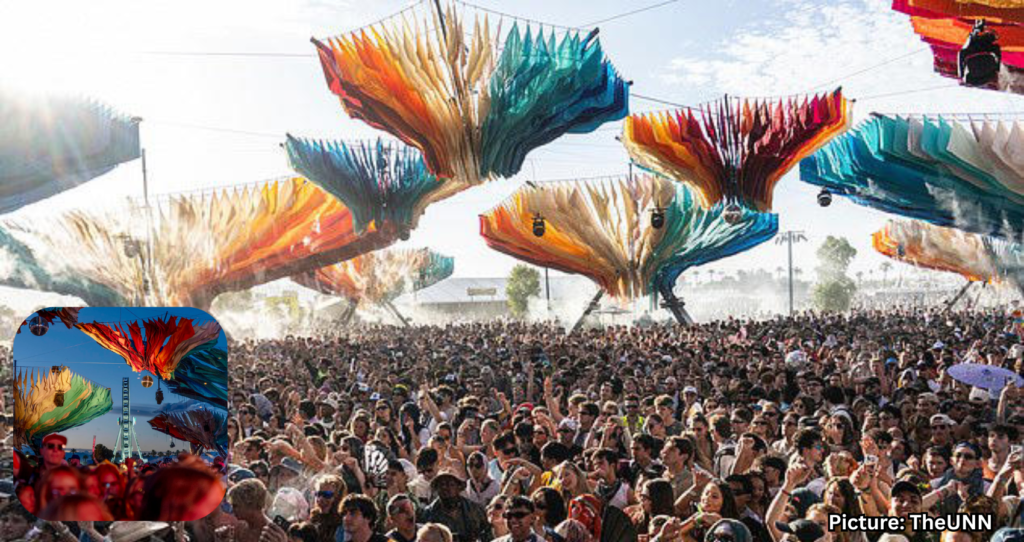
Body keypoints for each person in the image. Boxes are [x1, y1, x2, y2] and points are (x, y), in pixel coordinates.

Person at [420, 470, 491, 542]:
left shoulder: (474, 509)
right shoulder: (428, 514)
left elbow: (487, 534)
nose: (445, 488)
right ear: (437, 488)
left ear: (459, 487)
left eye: (451, 484)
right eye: (441, 484)